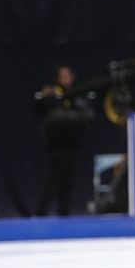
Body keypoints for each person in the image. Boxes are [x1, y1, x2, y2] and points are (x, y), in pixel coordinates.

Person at [34, 65, 92, 216]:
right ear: (57, 79)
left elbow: (85, 116)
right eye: (64, 76)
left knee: (67, 183)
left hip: (71, 143)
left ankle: (64, 214)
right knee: (53, 181)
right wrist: (45, 98)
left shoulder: (76, 94)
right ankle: (40, 215)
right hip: (57, 145)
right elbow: (39, 111)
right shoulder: (52, 94)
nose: (68, 79)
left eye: (69, 76)